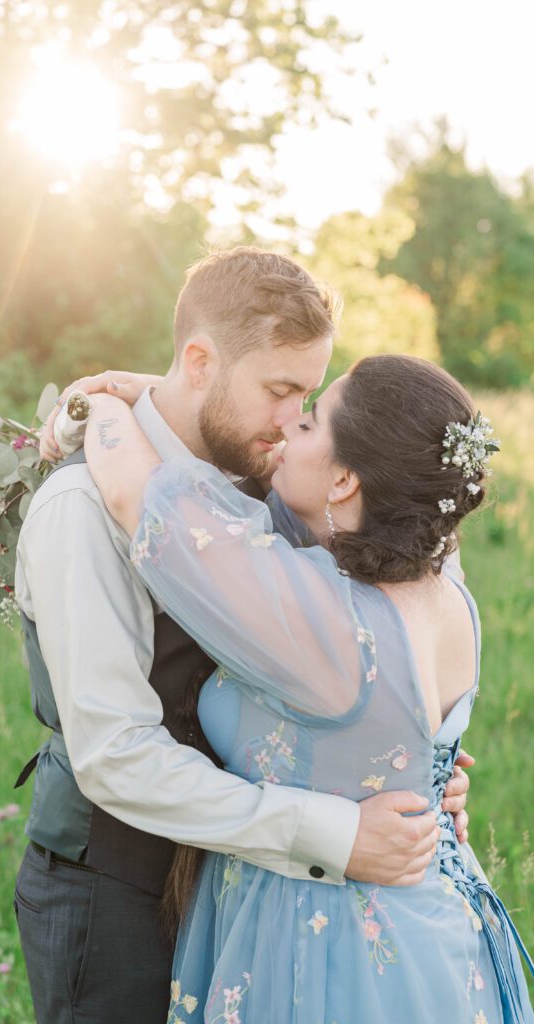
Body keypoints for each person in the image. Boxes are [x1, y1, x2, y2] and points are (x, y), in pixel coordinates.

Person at [15, 248, 471, 1024]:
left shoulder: (287, 483)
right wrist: (336, 831)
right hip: (117, 887)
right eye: (279, 390)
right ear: (199, 361)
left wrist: (410, 776)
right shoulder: (82, 511)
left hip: (265, 890)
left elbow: (384, 632)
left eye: (309, 395)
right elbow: (115, 756)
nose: (295, 419)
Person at [82, 351, 534, 1024]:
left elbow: (134, 494)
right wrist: (162, 389)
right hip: (439, 926)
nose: (287, 424)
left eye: (310, 420)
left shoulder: (322, 621)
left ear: (346, 478)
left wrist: (99, 403)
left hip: (324, 947)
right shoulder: (446, 586)